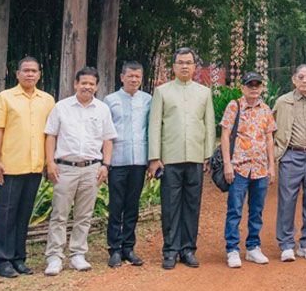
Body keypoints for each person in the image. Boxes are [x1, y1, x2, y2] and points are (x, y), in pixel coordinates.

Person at [43, 67, 116, 276]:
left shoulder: (102, 109)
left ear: (97, 86)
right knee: (59, 214)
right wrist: (50, 162)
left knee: (84, 215)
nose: (87, 87)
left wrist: (106, 165)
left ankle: (77, 254)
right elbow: (51, 136)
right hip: (65, 168)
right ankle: (54, 256)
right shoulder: (61, 107)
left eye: (92, 84)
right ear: (75, 84)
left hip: (92, 168)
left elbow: (108, 139)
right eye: (83, 83)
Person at [148, 47, 216, 270]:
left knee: (192, 205)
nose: (185, 66)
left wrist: (207, 155)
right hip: (170, 158)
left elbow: (209, 126)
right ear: (174, 66)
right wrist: (155, 157)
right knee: (170, 206)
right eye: (180, 62)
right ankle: (170, 250)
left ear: (195, 67)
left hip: (196, 158)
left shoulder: (204, 92)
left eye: (189, 62)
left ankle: (188, 249)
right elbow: (155, 125)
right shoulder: (162, 92)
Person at [0, 56, 56, 278]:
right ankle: (3, 260)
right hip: (10, 165)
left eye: (33, 71)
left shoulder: (47, 100)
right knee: (6, 214)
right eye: (25, 70)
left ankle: (19, 258)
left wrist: (49, 161)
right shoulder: (5, 98)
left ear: (39, 74)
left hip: (35, 167)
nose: (29, 74)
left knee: (24, 214)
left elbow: (50, 134)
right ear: (17, 74)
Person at [221, 71, 277, 268]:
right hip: (239, 167)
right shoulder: (234, 106)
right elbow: (225, 135)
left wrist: (272, 165)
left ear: (261, 87)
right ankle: (232, 249)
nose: (254, 88)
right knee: (235, 209)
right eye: (250, 84)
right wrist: (227, 163)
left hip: (260, 168)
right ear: (243, 87)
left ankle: (253, 247)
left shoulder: (266, 109)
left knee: (257, 210)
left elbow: (269, 138)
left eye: (257, 85)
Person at [272, 64, 306, 262]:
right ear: (294, 80)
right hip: (290, 154)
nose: (304, 80)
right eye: (300, 77)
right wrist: (276, 152)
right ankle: (286, 244)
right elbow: (271, 127)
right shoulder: (282, 102)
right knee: (287, 200)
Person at [105, 61, 152, 268]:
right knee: (116, 205)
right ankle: (114, 249)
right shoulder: (110, 100)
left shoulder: (148, 100)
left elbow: (151, 130)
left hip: (139, 160)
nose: (134, 80)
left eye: (138, 77)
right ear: (121, 77)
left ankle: (128, 247)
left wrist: (153, 160)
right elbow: (105, 132)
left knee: (132, 206)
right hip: (117, 160)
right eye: (130, 76)